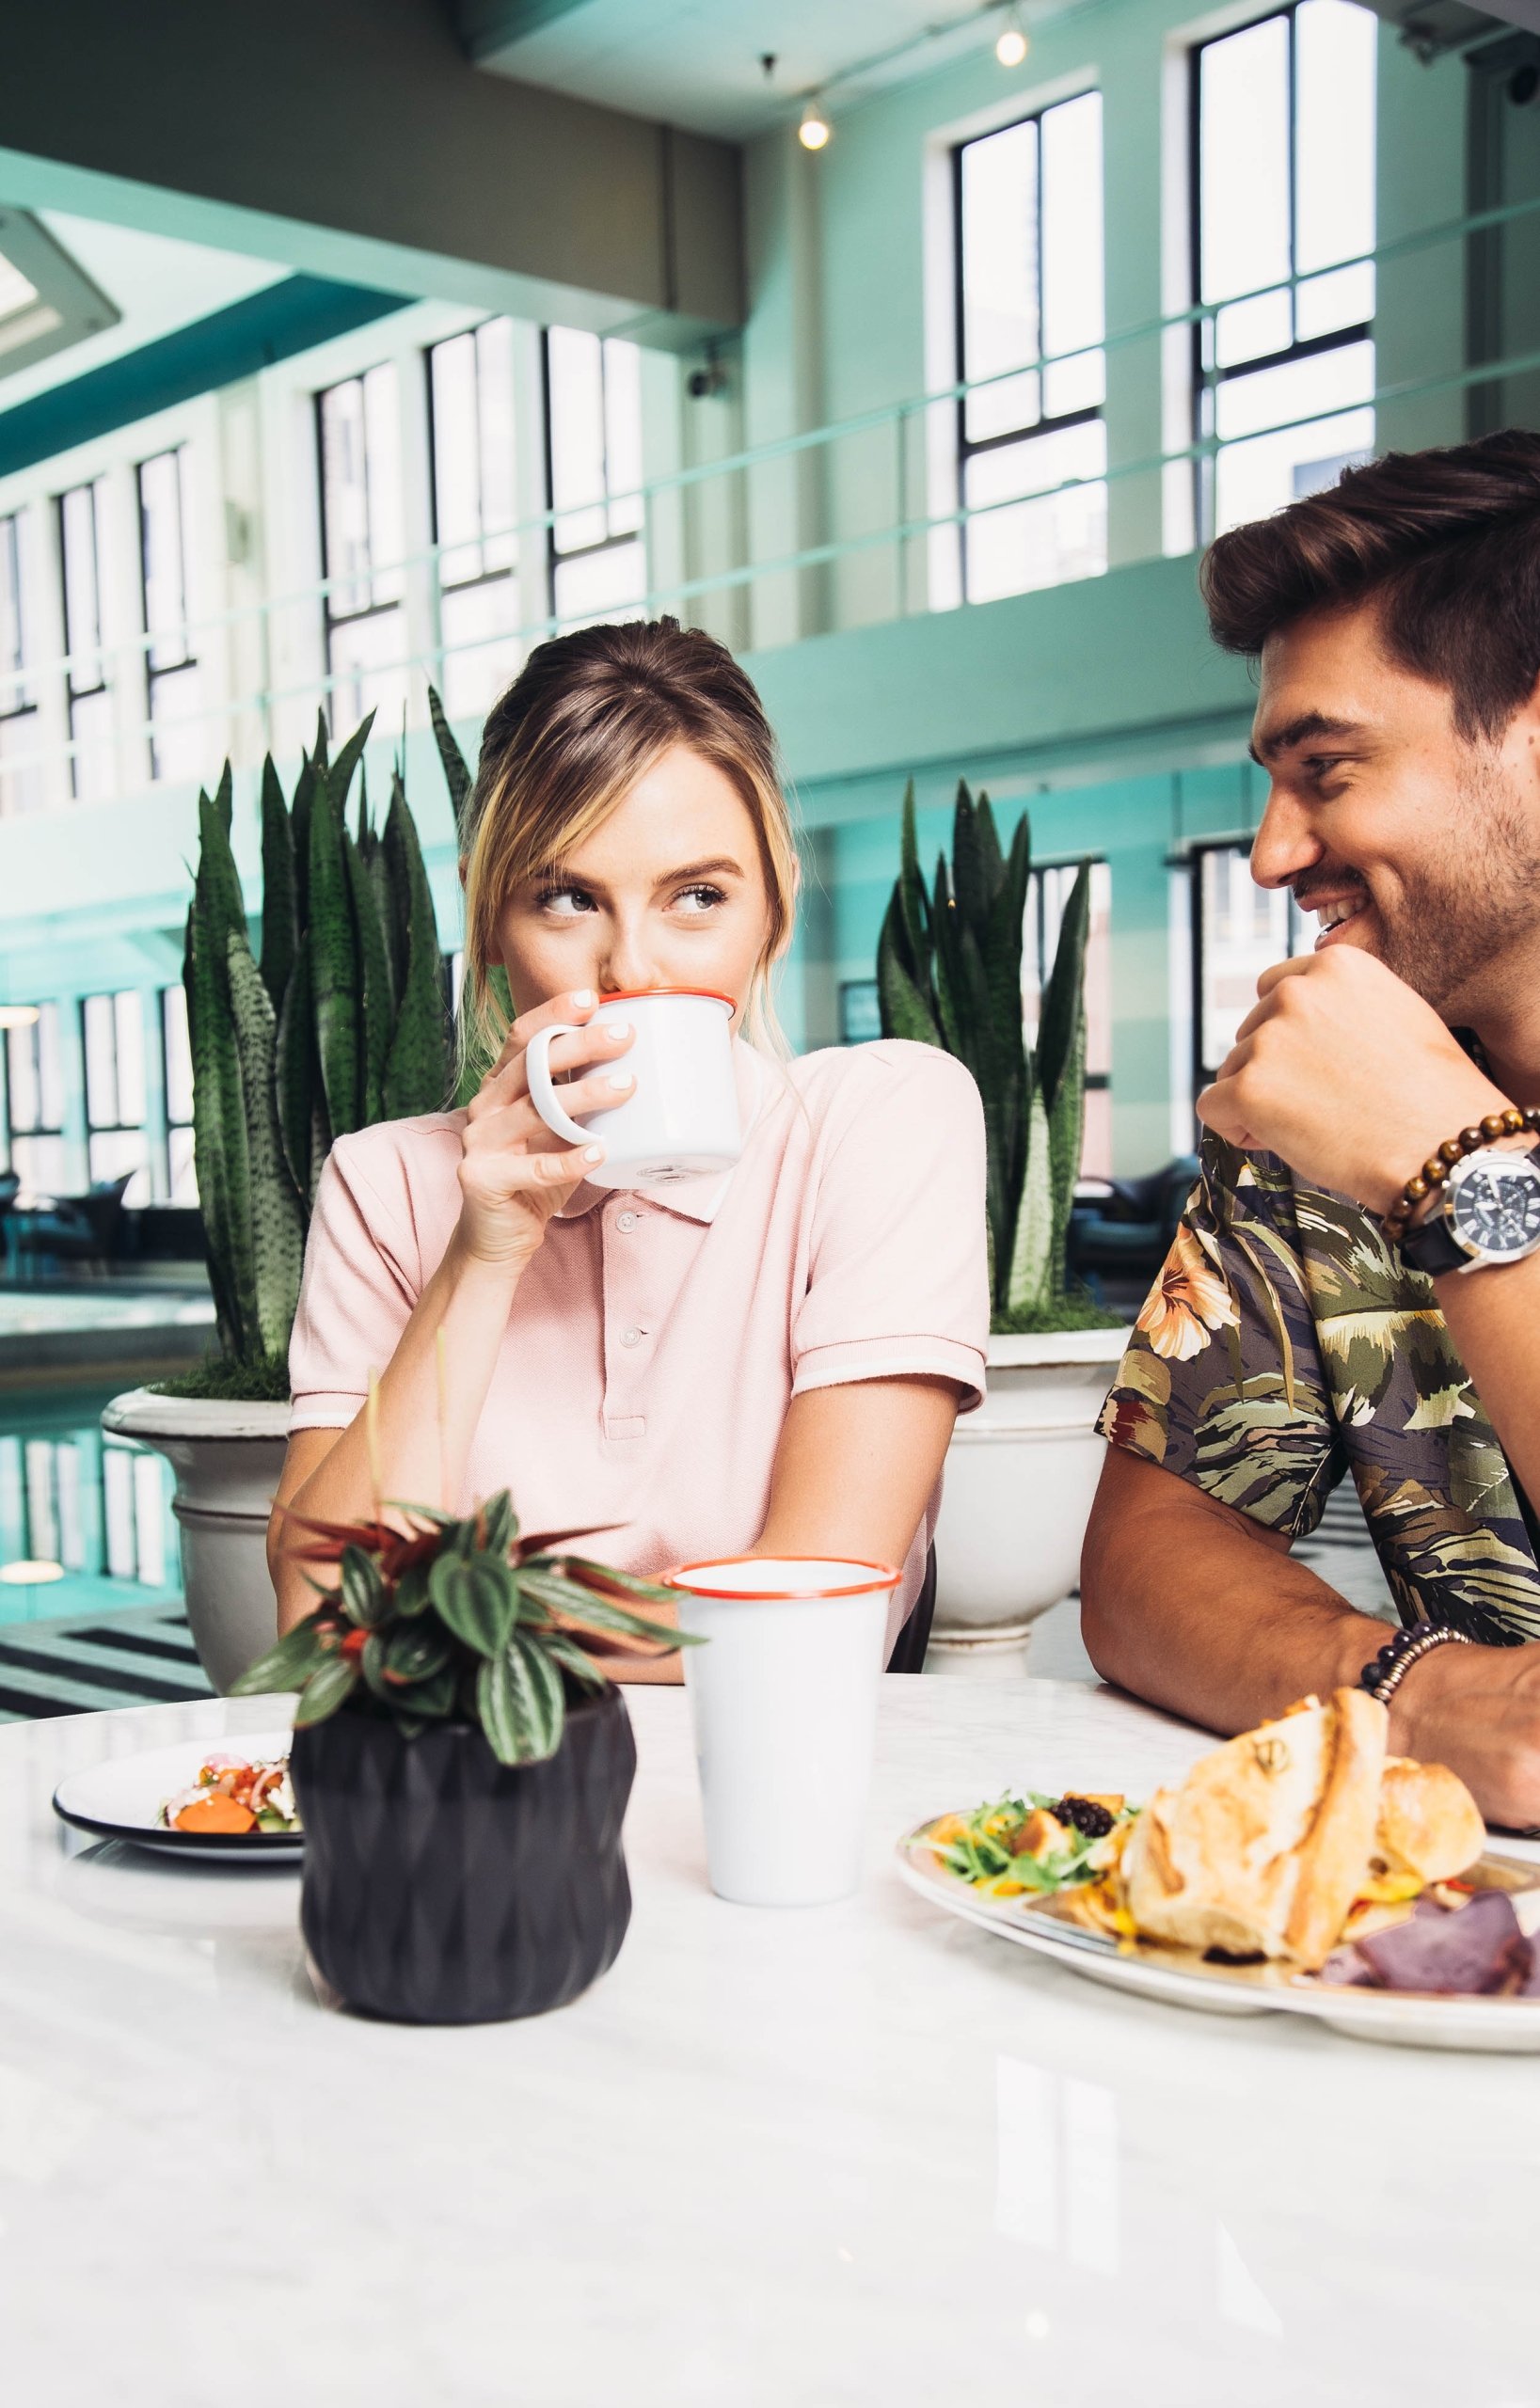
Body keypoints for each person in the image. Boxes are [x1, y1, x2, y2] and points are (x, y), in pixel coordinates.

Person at [270, 617, 989, 1674]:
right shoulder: (385, 1186)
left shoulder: (878, 1119)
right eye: (565, 898)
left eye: (697, 896)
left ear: (774, 900)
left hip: (777, 1786)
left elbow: (821, 1598)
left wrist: (429, 1630)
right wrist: (485, 1251)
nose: (633, 967)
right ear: (487, 918)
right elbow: (315, 1623)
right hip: (478, 1803)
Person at [1083, 429, 1540, 1826]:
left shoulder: (1391, 1123)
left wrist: (1459, 1175)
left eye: (1327, 769)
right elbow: (1151, 1555)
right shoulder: (1316, 1109)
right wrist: (1397, 1685)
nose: (1273, 852)